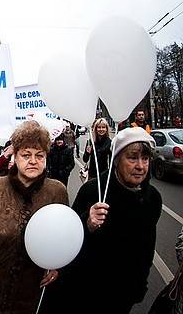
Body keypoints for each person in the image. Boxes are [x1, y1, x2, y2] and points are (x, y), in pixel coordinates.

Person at [0, 120, 68, 313]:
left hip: (30, 290)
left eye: (39, 155)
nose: (33, 161)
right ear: (15, 156)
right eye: (26, 155)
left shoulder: (56, 191)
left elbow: (63, 237)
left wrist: (57, 267)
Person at [45, 127, 162, 314]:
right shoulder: (92, 191)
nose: (141, 166)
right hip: (86, 291)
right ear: (116, 160)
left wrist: (140, 283)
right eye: (132, 158)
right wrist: (87, 223)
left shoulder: (153, 198)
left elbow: (147, 246)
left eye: (145, 158)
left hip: (124, 294)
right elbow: (67, 238)